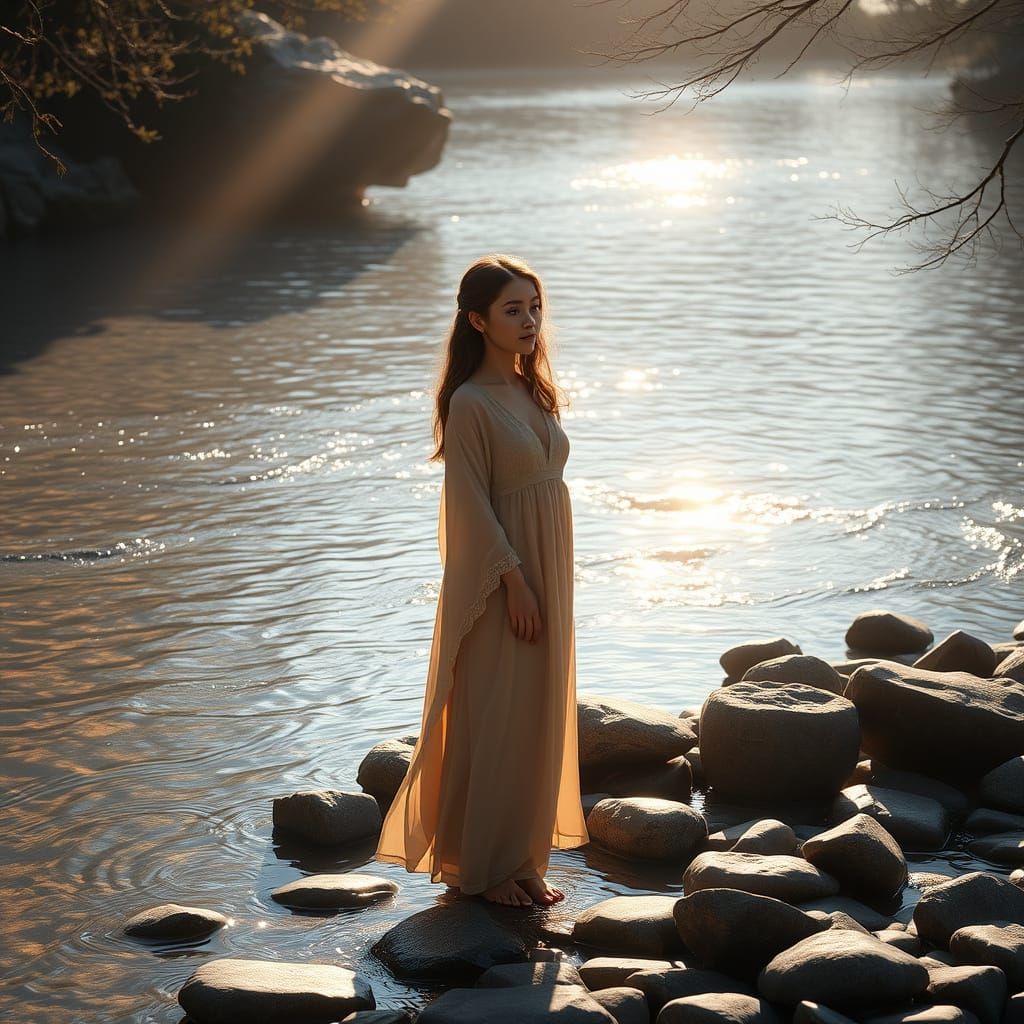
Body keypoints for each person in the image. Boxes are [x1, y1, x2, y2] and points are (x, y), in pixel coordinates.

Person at [373, 254, 590, 908]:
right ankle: (483, 866)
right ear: (478, 320)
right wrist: (514, 581)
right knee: (496, 714)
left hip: (549, 568)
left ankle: (521, 857)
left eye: (534, 307)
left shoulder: (532, 388)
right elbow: (469, 502)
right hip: (506, 581)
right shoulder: (469, 403)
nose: (530, 320)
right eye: (513, 310)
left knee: (536, 712)